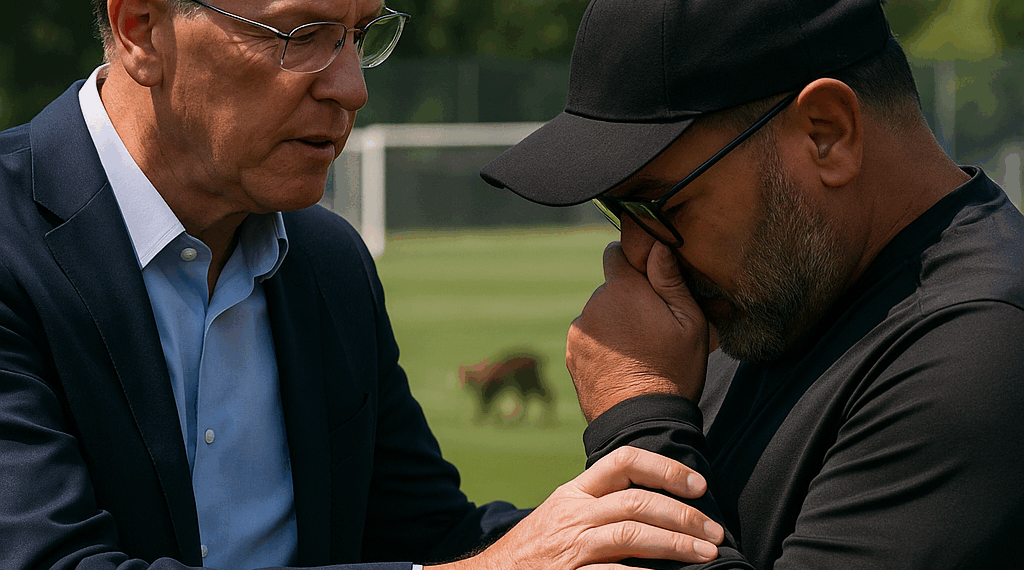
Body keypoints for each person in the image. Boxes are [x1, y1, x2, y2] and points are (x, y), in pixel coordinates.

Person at [0, 0, 732, 569]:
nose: (351, 88)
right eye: (301, 33)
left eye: (360, 34)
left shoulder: (329, 261)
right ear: (140, 30)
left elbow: (430, 535)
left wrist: (622, 506)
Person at [481, 0, 1024, 568]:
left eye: (659, 203)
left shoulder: (982, 352)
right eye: (617, 211)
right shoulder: (783, 297)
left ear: (826, 134)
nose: (639, 254)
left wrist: (639, 417)